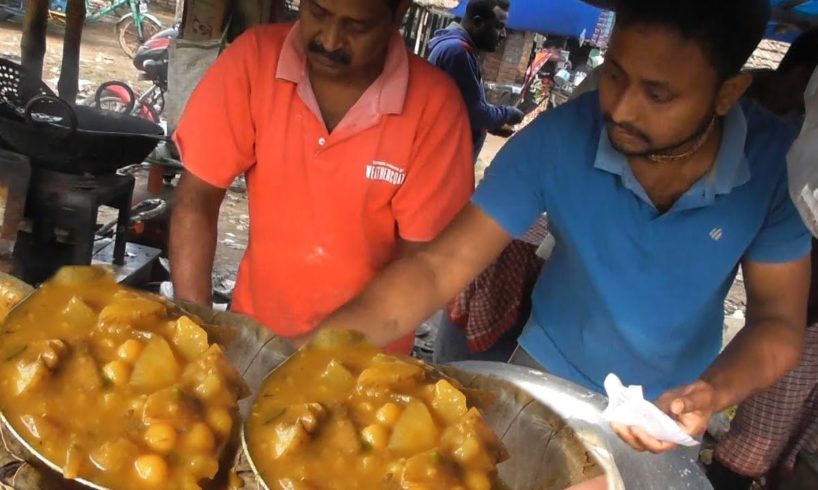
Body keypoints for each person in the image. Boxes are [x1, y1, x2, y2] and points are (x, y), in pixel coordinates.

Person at [312, 0, 813, 455]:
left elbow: (778, 321)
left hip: (673, 409)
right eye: (615, 75)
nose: (620, 109)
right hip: (545, 373)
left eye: (658, 95)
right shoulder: (559, 139)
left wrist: (713, 392)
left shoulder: (773, 167)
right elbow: (439, 268)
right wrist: (314, 354)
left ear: (728, 92)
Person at [170, 0, 475, 353]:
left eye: (356, 26)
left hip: (366, 361)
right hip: (254, 340)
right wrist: (198, 336)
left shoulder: (434, 107)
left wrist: (309, 356)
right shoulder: (255, 60)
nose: (329, 41)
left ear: (399, 13)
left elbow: (422, 269)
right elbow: (197, 200)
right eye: (317, 12)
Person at [709, 29, 818, 489]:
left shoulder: (796, 143)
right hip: (800, 312)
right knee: (758, 440)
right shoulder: (742, 116)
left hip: (801, 315)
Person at [427, 0, 524, 157]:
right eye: (499, 27)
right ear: (478, 23)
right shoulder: (456, 52)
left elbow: (462, 109)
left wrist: (493, 125)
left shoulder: (459, 50)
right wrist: (508, 114)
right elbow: (476, 114)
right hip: (444, 158)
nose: (503, 35)